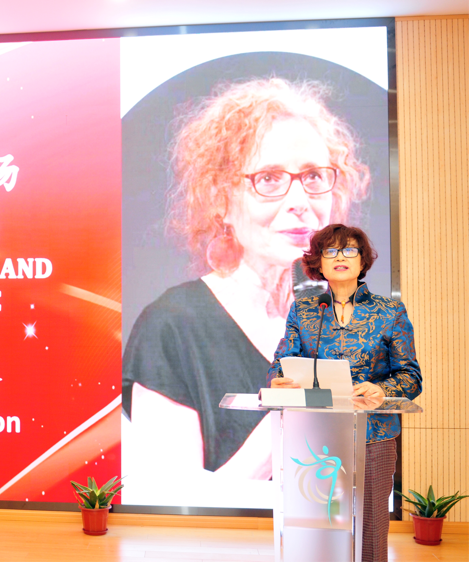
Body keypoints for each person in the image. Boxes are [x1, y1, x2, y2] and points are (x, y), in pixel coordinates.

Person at [122, 77, 371, 492]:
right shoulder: (171, 326)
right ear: (220, 198)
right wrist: (288, 419)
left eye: (313, 176)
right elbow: (172, 508)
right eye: (269, 179)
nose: (299, 201)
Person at [269, 223, 422, 562]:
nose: (341, 257)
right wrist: (278, 379)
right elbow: (281, 362)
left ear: (363, 260)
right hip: (314, 438)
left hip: (374, 435)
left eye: (350, 249)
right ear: (318, 263)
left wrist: (381, 389)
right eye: (331, 251)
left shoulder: (389, 311)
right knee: (318, 532)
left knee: (371, 530)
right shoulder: (304, 309)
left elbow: (411, 377)